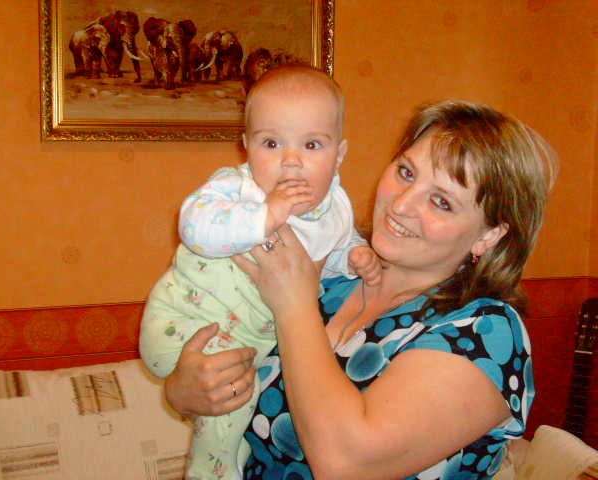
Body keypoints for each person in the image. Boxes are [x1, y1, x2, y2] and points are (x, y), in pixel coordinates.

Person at [163, 99, 558, 479]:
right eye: (406, 173)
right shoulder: (334, 278)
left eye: (441, 202)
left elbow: (346, 464)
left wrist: (294, 304)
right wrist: (187, 392)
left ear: (489, 235)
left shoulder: (485, 333)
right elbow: (233, 382)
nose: (401, 204)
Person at [139, 65, 381, 480]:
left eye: (312, 144)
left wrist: (355, 255)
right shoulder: (238, 189)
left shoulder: (335, 209)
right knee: (231, 399)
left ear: (339, 155)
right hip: (185, 321)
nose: (291, 161)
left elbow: (331, 250)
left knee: (238, 408)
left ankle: (225, 462)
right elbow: (193, 225)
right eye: (271, 143)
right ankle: (208, 472)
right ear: (246, 147)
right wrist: (264, 216)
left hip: (246, 345)